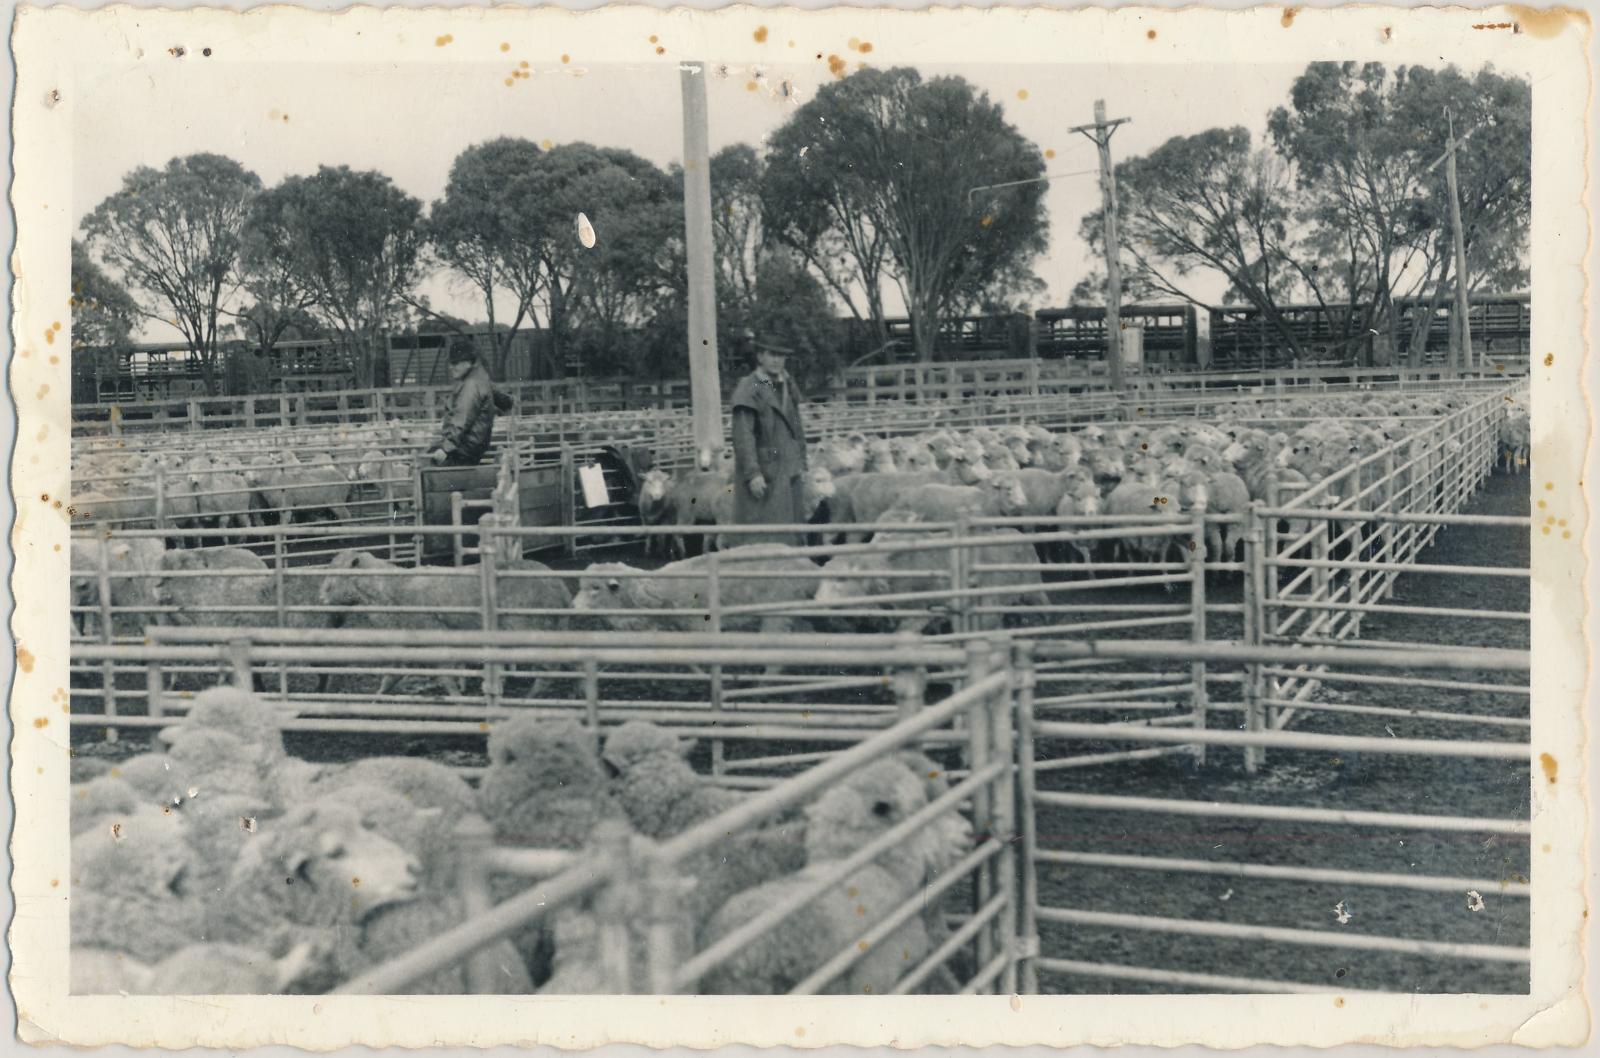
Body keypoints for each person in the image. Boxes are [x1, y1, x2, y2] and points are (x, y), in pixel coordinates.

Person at [729, 330, 809, 547]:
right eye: (772, 354)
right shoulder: (751, 386)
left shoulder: (788, 384)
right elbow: (743, 434)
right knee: (764, 532)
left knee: (793, 528)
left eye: (781, 356)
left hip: (790, 468)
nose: (777, 360)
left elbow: (796, 426)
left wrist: (802, 461)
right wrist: (752, 473)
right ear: (760, 356)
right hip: (765, 471)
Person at [426, 338, 511, 467]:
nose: (451, 367)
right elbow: (503, 400)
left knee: (426, 466)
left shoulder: (470, 385)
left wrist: (445, 448)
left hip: (463, 450)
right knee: (431, 452)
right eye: (451, 363)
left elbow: (462, 419)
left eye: (455, 363)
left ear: (468, 362)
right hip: (474, 445)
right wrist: (508, 402)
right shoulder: (480, 377)